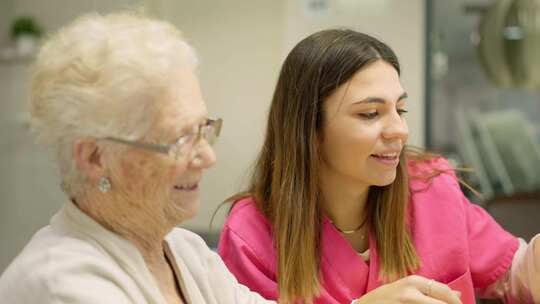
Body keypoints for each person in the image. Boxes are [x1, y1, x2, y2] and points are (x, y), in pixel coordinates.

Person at [217, 29, 540, 304]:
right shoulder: (252, 236)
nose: (399, 129)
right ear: (309, 130)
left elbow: (513, 275)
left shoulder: (430, 187)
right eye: (370, 114)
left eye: (400, 109)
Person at [0, 12, 275, 304]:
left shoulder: (184, 250)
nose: (208, 157)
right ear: (95, 158)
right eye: (180, 139)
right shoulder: (61, 287)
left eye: (202, 129)